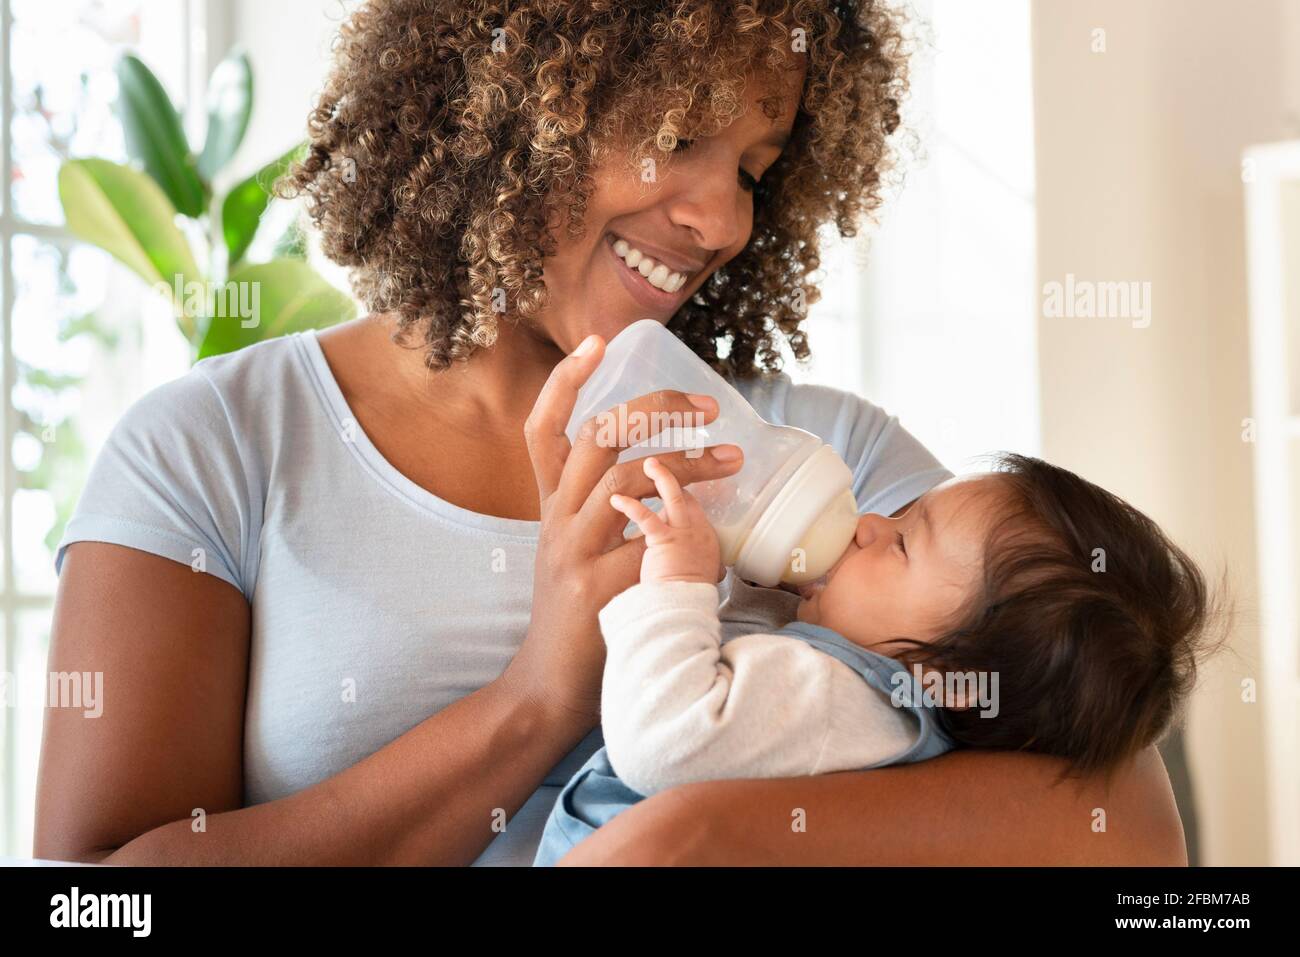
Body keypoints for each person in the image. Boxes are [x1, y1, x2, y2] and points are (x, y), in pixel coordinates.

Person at [34, 0, 1187, 865]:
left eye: (752, 168)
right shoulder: (216, 446)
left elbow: (1127, 829)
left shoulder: (831, 469)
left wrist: (699, 833)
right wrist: (539, 698)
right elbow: (95, 898)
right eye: (679, 136)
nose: (723, 217)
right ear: (512, 108)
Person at [534, 452, 1217, 865]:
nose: (869, 523)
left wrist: (677, 580)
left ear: (950, 678)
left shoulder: (840, 698)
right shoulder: (866, 685)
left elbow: (666, 740)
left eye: (901, 544)